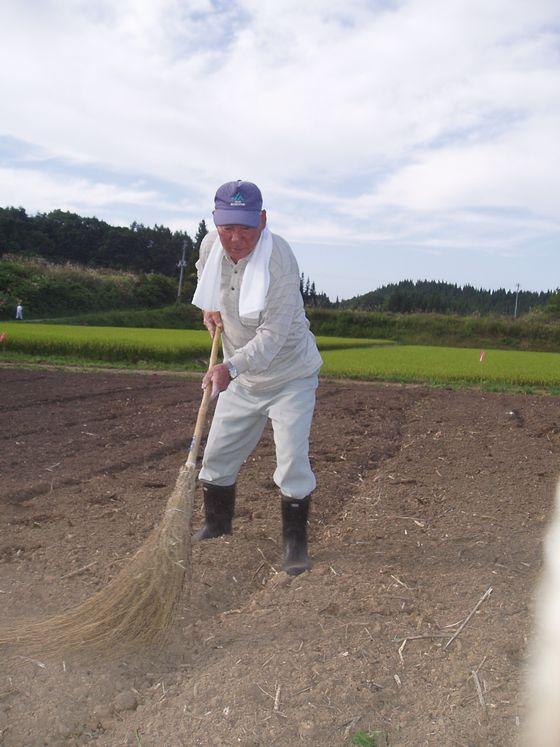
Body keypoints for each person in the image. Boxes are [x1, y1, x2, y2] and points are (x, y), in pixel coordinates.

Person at [191, 180, 322, 575]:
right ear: (216, 222)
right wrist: (209, 311)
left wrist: (228, 368)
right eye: (227, 227)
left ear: (262, 221)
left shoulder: (279, 258)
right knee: (216, 455)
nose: (236, 238)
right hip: (242, 379)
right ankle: (217, 525)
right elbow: (206, 284)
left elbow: (272, 336)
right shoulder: (210, 248)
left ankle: (295, 546)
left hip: (289, 376)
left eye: (245, 228)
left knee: (293, 460)